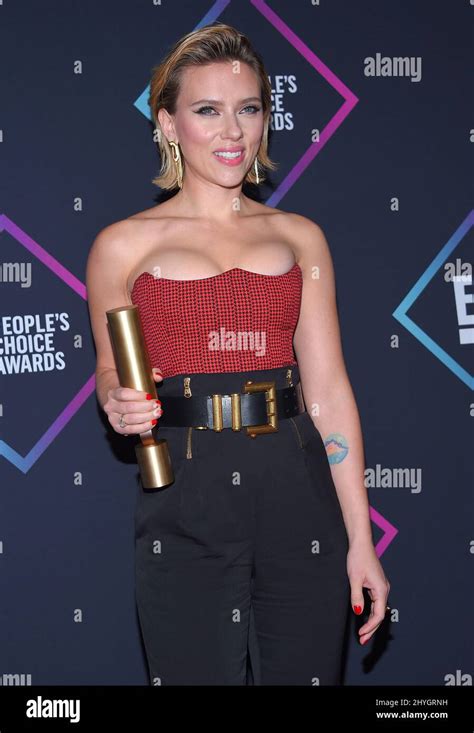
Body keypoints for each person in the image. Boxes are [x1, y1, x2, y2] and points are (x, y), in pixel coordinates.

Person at [86, 22, 390, 686]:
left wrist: (361, 540)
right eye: (208, 111)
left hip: (297, 496)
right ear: (167, 123)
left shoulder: (301, 238)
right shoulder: (121, 247)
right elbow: (111, 371)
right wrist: (115, 398)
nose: (233, 132)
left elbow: (329, 392)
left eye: (248, 109)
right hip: (183, 501)